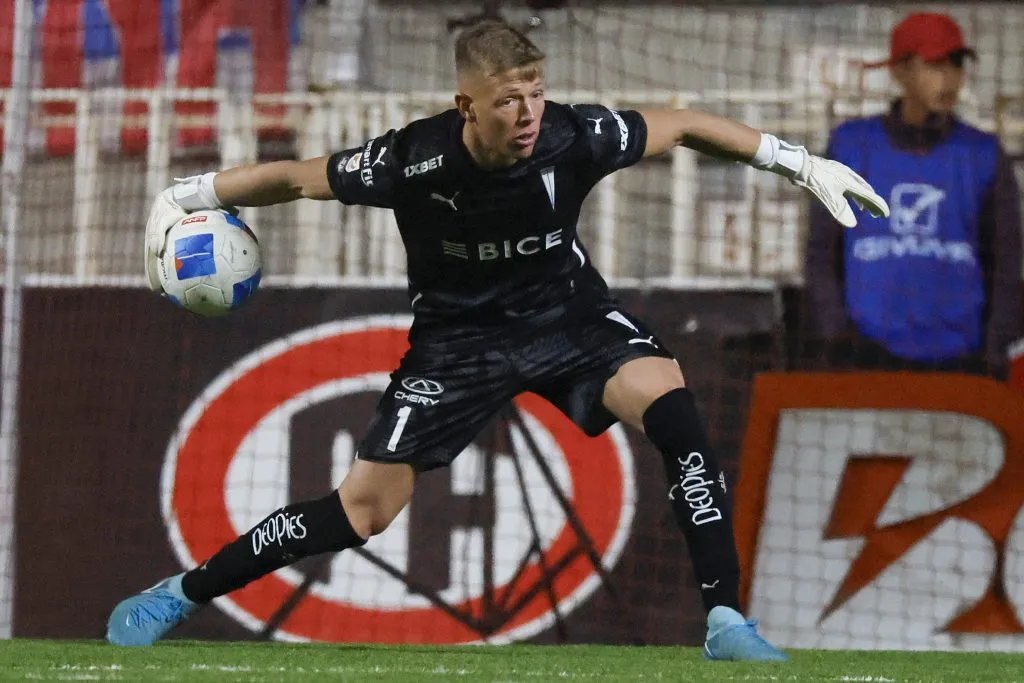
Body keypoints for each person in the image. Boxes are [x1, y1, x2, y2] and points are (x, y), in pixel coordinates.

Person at [108, 20, 887, 660]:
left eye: (536, 94)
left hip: (569, 318)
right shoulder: (411, 158)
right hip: (458, 346)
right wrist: (190, 192)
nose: (528, 113)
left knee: (676, 413)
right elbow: (295, 179)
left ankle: (725, 622)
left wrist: (796, 161)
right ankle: (176, 594)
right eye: (509, 100)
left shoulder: (573, 136)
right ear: (466, 105)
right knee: (361, 513)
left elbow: (680, 125)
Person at [805, 12, 1022, 375]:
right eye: (934, 64)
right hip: (866, 357)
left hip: (960, 361)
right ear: (900, 71)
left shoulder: (983, 154)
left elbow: (1007, 263)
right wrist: (838, 335)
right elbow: (820, 253)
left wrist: (994, 348)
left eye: (956, 65)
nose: (949, 77)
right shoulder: (851, 146)